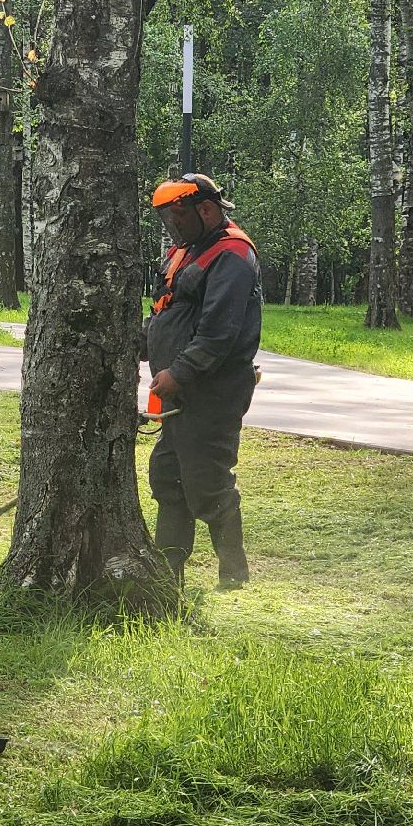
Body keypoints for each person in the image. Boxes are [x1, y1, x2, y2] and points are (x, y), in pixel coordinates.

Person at [144, 172, 262, 591]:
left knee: (207, 481)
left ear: (206, 210)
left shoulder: (231, 255)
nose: (171, 227)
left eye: (177, 217)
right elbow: (166, 312)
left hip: (214, 390)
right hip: (181, 391)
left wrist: (178, 373)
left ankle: (234, 573)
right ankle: (167, 572)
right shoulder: (188, 251)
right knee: (167, 475)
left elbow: (219, 333)